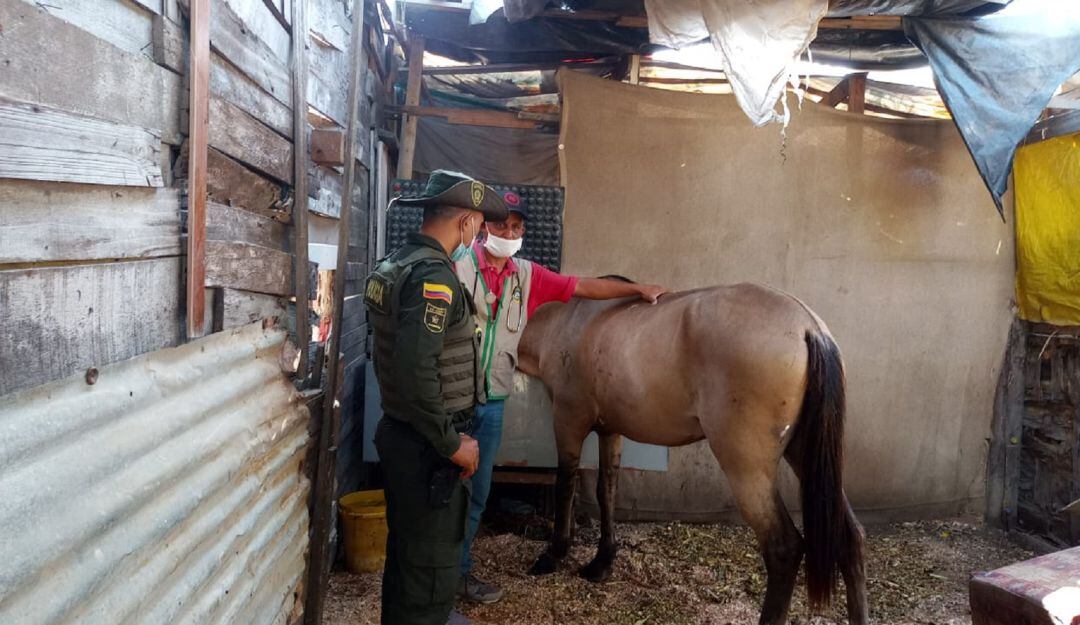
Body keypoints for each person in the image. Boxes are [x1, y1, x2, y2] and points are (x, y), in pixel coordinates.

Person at [453, 191, 666, 604]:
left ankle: (458, 572)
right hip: (455, 398)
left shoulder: (526, 275)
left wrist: (637, 288)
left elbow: (582, 286)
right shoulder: (457, 268)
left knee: (477, 493)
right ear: (482, 226)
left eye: (516, 227)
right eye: (500, 225)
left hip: (492, 402)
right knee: (448, 492)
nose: (508, 233)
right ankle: (438, 578)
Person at [365, 170, 509, 625]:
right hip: (428, 445)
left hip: (406, 435)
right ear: (466, 223)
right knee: (430, 566)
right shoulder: (434, 278)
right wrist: (452, 443)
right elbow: (414, 369)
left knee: (409, 555)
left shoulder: (398, 262)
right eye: (480, 225)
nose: (480, 233)